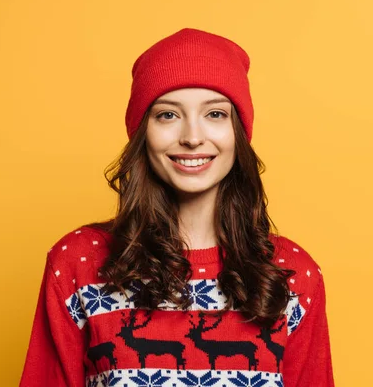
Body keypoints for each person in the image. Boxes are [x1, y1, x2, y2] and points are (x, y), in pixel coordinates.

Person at [19, 28, 334, 387]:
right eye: (168, 115)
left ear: (238, 132)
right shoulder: (77, 264)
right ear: (142, 132)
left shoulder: (293, 276)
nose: (193, 137)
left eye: (215, 114)